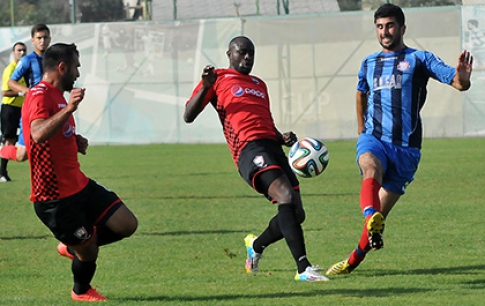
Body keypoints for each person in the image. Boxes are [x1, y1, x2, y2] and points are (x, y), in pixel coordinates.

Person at [326, 3, 473, 276]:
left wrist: (463, 79)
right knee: (370, 168)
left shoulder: (419, 59)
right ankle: (370, 216)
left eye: (390, 25)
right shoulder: (368, 63)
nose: (384, 31)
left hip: (406, 150)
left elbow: (456, 82)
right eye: (380, 26)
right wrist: (362, 130)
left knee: (380, 217)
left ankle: (353, 260)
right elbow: (360, 92)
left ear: (403, 28)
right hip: (375, 138)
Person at [185, 36, 329, 282]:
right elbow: (188, 115)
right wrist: (206, 86)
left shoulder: (259, 84)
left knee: (296, 213)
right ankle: (303, 268)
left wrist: (280, 137)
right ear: (229, 54)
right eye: (242, 52)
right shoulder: (216, 79)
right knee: (284, 195)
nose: (248, 57)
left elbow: (263, 119)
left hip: (272, 148)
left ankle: (256, 246)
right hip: (248, 150)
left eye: (251, 53)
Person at [21, 43, 138, 301]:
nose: (78, 72)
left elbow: (54, 134)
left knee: (127, 223)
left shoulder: (57, 96)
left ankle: (73, 245)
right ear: (62, 68)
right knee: (89, 251)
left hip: (79, 185)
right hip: (54, 198)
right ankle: (81, 290)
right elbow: (38, 133)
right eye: (76, 66)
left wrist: (74, 140)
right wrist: (69, 110)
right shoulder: (40, 94)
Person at [3, 23, 52, 176]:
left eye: (45, 37)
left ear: (49, 39)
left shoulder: (54, 59)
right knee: (22, 155)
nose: (42, 41)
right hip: (33, 109)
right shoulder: (27, 60)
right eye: (39, 38)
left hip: (51, 108)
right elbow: (12, 82)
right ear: (33, 40)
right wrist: (26, 91)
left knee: (51, 146)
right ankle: (3, 150)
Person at [0, 42, 27, 182]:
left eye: (24, 50)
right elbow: (5, 92)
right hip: (9, 109)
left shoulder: (25, 69)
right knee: (9, 141)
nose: (21, 53)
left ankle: (2, 140)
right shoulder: (10, 69)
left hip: (22, 109)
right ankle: (2, 173)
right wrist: (21, 92)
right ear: (13, 53)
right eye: (19, 50)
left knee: (22, 138)